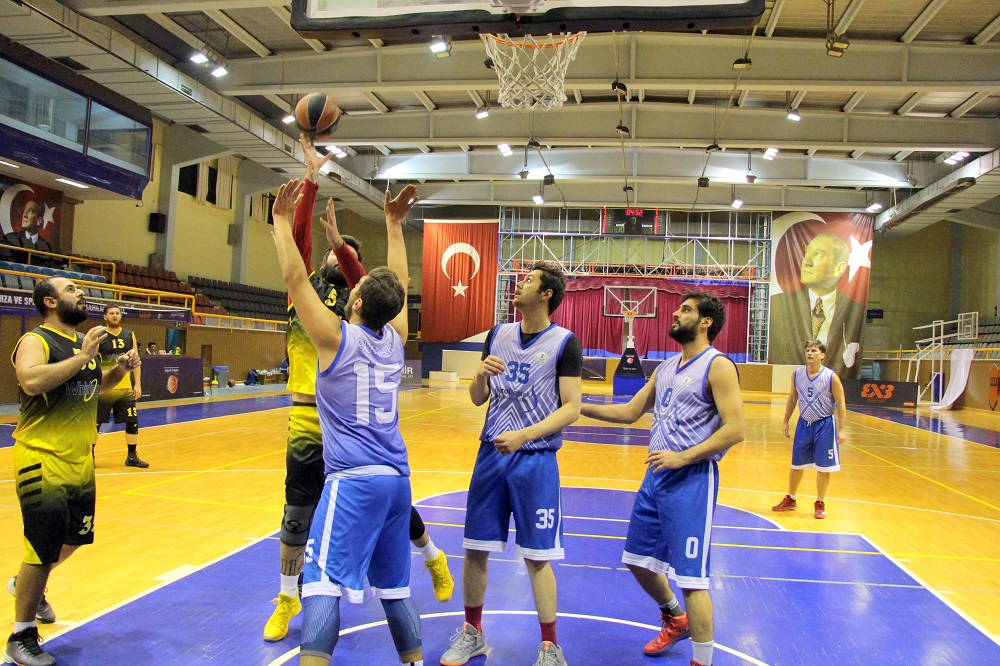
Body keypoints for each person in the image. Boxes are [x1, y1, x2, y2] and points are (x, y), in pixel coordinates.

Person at [263, 138, 452, 644]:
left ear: (357, 296)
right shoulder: (374, 328)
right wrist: (318, 196)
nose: (333, 253)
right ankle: (285, 598)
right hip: (322, 427)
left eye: (342, 255)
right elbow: (313, 257)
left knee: (372, 521)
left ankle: (427, 557)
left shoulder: (337, 325)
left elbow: (301, 267)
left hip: (347, 443)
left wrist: (302, 209)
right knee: (297, 517)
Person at [579, 292, 745, 666]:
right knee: (638, 560)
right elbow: (630, 411)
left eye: (686, 309)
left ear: (705, 322)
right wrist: (578, 408)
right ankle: (675, 617)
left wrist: (682, 456)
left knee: (691, 579)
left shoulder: (718, 366)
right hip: (655, 479)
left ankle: (702, 660)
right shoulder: (665, 368)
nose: (675, 313)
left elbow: (735, 429)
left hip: (692, 480)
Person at [441, 261, 582, 666]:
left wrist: (524, 435)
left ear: (547, 294)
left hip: (535, 459)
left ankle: (550, 647)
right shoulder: (497, 334)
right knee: (475, 548)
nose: (519, 285)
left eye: (528, 281)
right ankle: (472, 633)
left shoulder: (564, 343)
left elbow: (571, 408)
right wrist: (480, 377)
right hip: (491, 454)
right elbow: (477, 398)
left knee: (537, 557)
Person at [5, 277, 140, 666]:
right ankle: (20, 637)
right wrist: (83, 357)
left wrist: (119, 369)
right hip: (42, 457)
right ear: (50, 301)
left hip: (80, 459)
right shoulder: (37, 340)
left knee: (76, 537)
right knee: (42, 546)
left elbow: (94, 386)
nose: (81, 293)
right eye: (70, 289)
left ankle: (26, 584)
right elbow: (31, 381)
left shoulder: (85, 343)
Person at [769, 233, 864, 376]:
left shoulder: (856, 312)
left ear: (838, 268)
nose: (806, 262)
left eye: (819, 255)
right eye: (807, 253)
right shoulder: (777, 305)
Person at [772, 340, 847, 519]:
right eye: (807, 350)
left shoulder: (830, 377)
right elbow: (792, 397)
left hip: (824, 424)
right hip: (804, 424)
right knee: (796, 464)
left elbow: (841, 403)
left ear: (823, 355)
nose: (810, 353)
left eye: (814, 350)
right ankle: (791, 498)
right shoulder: (797, 374)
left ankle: (820, 502)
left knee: (823, 467)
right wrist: (785, 420)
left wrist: (842, 429)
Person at [95, 305, 149, 468]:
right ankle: (89, 455)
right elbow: (92, 362)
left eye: (117, 313)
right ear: (105, 317)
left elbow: (135, 361)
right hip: (105, 389)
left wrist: (137, 384)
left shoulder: (129, 334)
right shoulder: (99, 335)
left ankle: (131, 456)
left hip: (125, 389)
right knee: (95, 423)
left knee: (132, 421)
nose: (115, 315)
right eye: (111, 313)